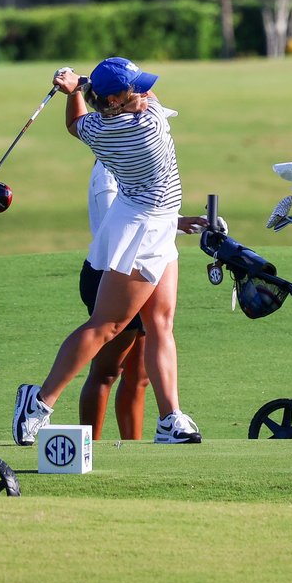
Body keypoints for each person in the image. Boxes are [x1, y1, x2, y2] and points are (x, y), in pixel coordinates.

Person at [13, 57, 202, 446]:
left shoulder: (100, 129)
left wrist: (75, 89)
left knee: (160, 324)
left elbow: (74, 124)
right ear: (115, 99)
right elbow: (128, 105)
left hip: (156, 222)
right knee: (107, 326)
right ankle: (38, 401)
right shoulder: (148, 126)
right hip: (142, 231)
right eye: (138, 88)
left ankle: (170, 417)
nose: (147, 93)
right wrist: (81, 84)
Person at [78, 160, 208, 440]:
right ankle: (90, 446)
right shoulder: (107, 171)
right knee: (106, 371)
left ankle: (134, 449)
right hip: (113, 273)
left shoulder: (140, 164)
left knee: (139, 376)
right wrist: (172, 224)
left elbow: (150, 212)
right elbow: (116, 226)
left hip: (147, 270)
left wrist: (180, 221)